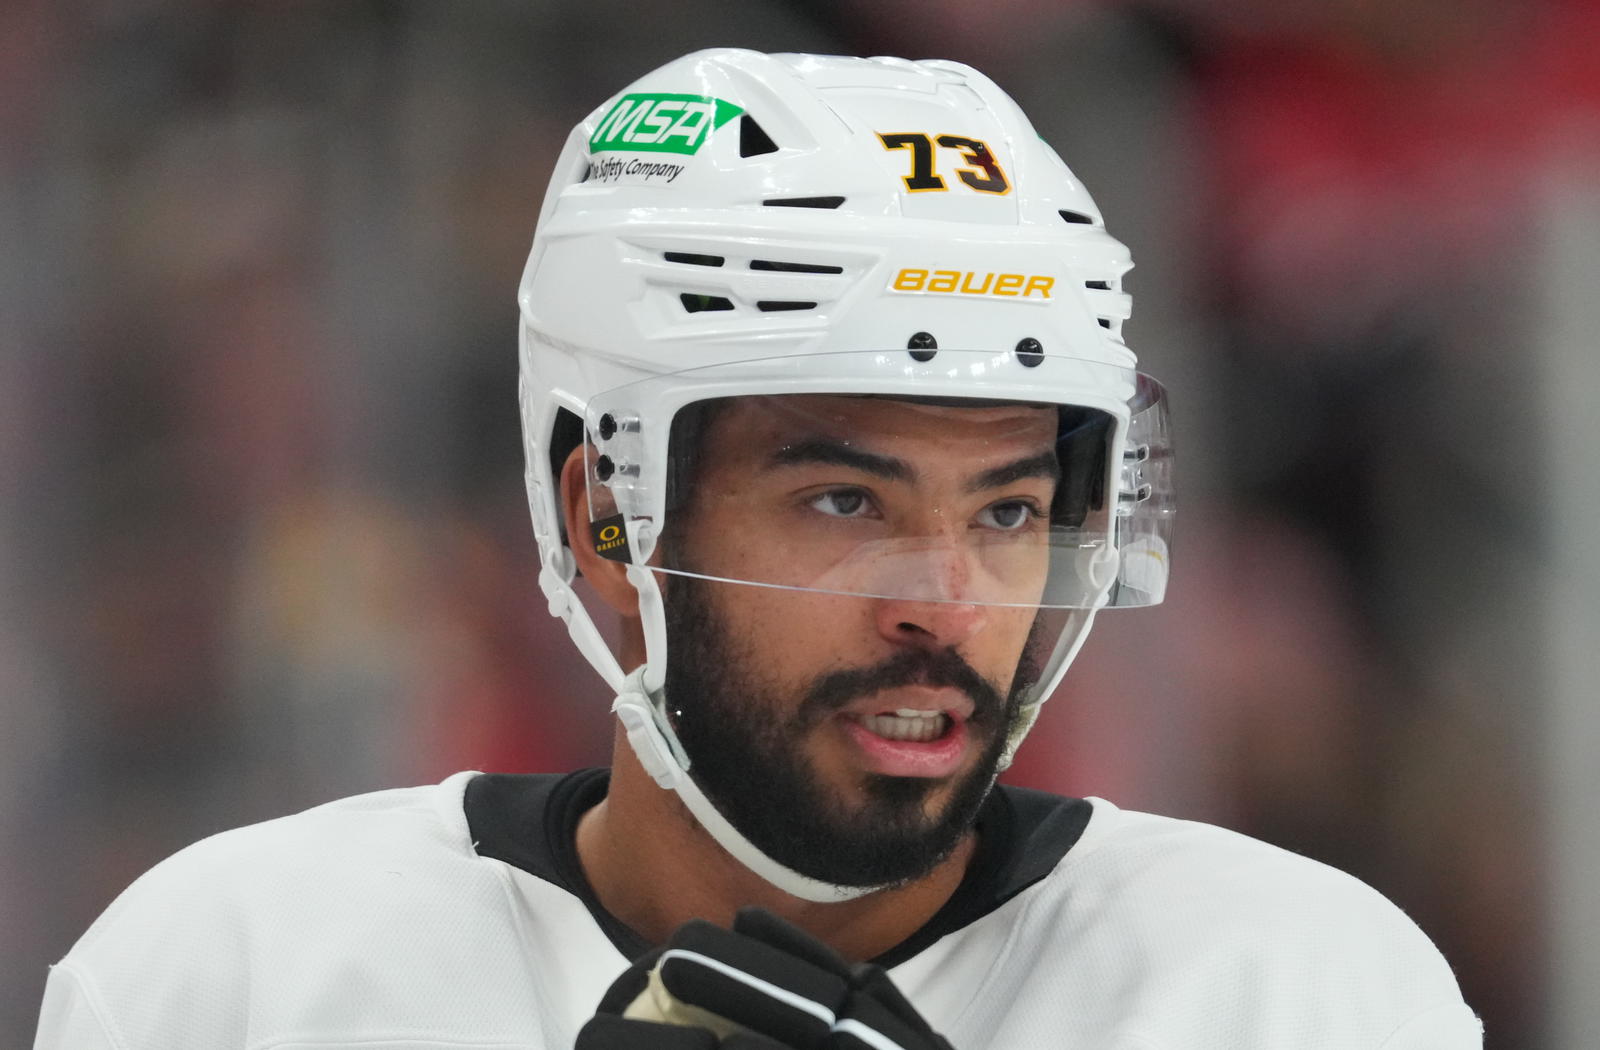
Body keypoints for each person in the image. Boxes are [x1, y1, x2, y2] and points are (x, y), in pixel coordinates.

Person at [33, 49, 1482, 1050]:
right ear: (608, 515)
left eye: (1008, 508)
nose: (948, 605)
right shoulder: (231, 972)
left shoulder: (1292, 987)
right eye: (846, 503)